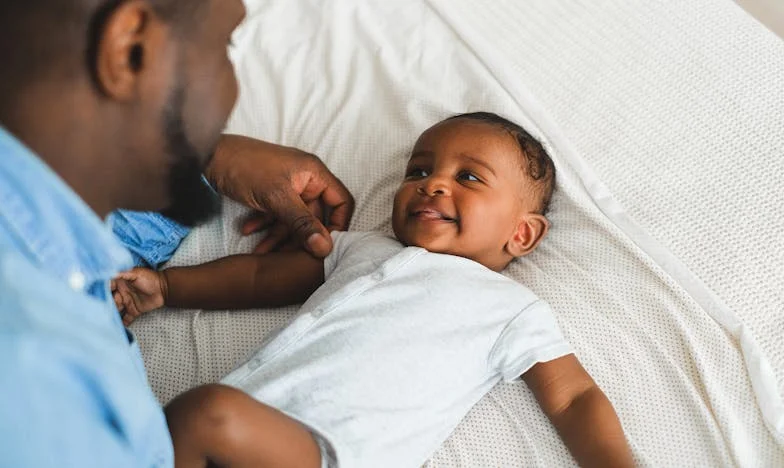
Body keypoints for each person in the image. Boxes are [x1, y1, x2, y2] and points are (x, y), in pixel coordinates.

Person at [114, 113, 635, 468]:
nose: (432, 184)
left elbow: (573, 397)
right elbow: (258, 278)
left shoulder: (510, 309)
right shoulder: (361, 250)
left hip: (334, 451)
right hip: (258, 438)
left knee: (205, 414)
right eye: (420, 170)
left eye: (470, 178)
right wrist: (167, 285)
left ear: (521, 233)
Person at [0, 1, 353, 466]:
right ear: (131, 49)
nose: (233, 90)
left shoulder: (44, 231)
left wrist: (204, 158)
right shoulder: (44, 401)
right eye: (225, 47)